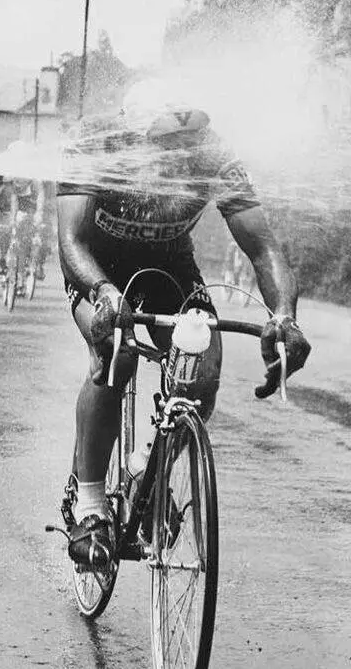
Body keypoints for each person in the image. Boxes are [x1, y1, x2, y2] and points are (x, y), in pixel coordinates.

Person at [56, 79, 311, 569]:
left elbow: (265, 249)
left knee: (202, 367)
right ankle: (89, 505)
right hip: (98, 269)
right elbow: (72, 242)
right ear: (133, 140)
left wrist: (284, 316)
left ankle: (148, 479)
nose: (174, 161)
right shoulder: (96, 143)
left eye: (182, 150)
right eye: (161, 150)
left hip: (170, 265)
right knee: (116, 354)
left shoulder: (213, 153)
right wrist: (104, 294)